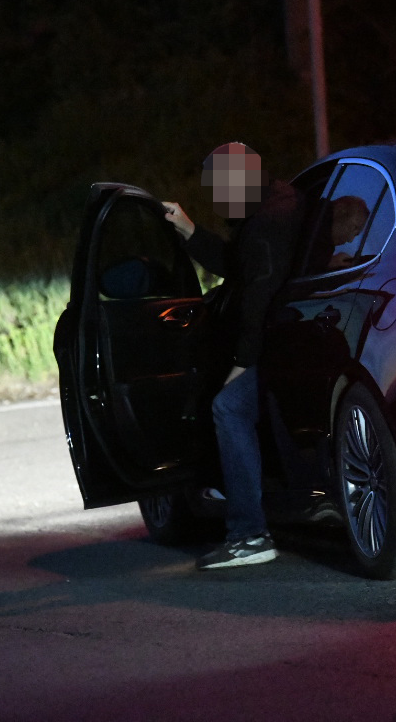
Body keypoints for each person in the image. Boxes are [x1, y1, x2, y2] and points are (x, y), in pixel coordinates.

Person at [162, 141, 303, 570]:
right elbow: (239, 267)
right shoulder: (277, 202)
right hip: (296, 340)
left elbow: (256, 300)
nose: (216, 200)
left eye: (218, 190)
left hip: (282, 347)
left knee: (228, 407)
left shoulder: (264, 224)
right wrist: (189, 230)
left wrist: (241, 365)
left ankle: (249, 535)